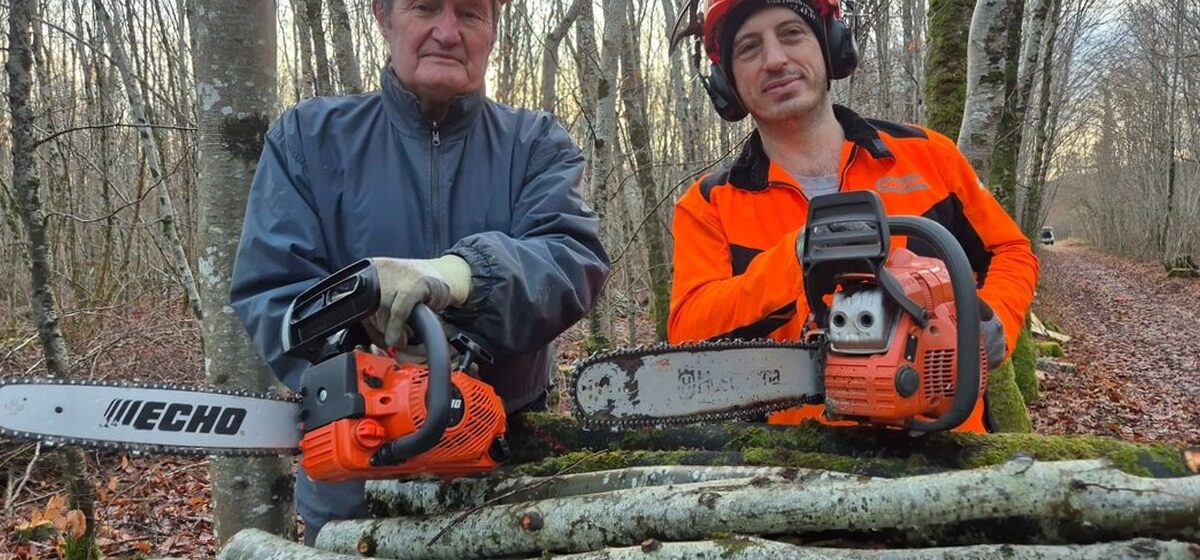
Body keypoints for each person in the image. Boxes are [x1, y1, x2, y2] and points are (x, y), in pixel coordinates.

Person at [229, 0, 610, 544]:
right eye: (425, 7)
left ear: (494, 29)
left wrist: (460, 277)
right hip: (355, 490)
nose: (447, 32)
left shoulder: (534, 146)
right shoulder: (309, 139)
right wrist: (365, 341)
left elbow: (571, 258)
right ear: (384, 19)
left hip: (505, 482)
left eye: (471, 14)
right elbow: (273, 291)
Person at [667, 0, 1038, 432]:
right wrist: (796, 256)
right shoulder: (711, 203)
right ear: (727, 82)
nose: (775, 60)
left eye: (791, 34)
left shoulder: (926, 157)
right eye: (749, 48)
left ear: (831, 46)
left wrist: (992, 317)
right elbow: (689, 332)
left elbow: (1011, 251)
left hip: (946, 444)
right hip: (802, 461)